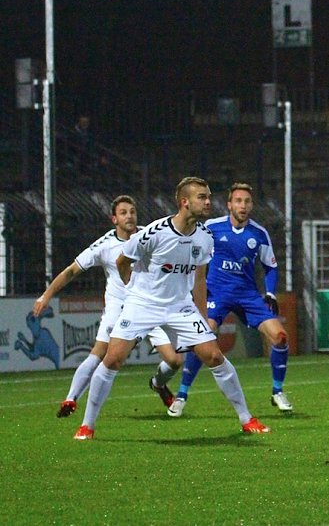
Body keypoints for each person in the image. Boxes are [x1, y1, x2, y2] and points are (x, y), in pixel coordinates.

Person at [73, 177, 269, 440]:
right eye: (202, 197)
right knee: (113, 359)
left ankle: (247, 419)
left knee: (214, 356)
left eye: (208, 196)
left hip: (180, 306)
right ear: (184, 202)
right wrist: (133, 289)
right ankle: (87, 425)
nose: (209, 201)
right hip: (143, 304)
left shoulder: (205, 237)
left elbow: (199, 279)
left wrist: (203, 317)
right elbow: (122, 261)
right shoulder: (154, 232)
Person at [34, 195, 182, 418]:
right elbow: (71, 271)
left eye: (132, 211)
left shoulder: (148, 235)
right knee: (99, 353)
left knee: (173, 360)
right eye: (123, 213)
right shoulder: (105, 245)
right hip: (119, 309)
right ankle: (71, 399)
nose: (129, 216)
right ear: (114, 219)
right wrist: (45, 296)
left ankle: (158, 384)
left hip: (148, 307)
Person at [168, 183, 293, 417]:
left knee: (280, 337)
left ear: (252, 205)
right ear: (229, 205)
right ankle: (182, 395)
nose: (243, 206)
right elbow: (194, 255)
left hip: (247, 295)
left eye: (247, 201)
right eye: (238, 201)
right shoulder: (211, 227)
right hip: (217, 294)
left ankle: (278, 391)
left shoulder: (259, 234)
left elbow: (271, 267)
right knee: (204, 336)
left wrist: (270, 293)